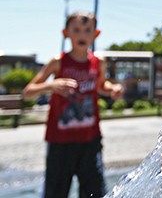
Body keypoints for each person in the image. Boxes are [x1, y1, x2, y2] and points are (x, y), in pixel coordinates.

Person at [23, 11, 124, 198]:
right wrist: (51, 85)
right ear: (66, 33)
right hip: (60, 141)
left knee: (94, 191)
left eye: (87, 30)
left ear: (96, 34)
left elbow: (101, 86)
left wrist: (113, 89)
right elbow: (28, 91)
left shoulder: (98, 62)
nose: (82, 35)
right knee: (56, 191)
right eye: (76, 30)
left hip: (90, 140)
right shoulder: (58, 62)